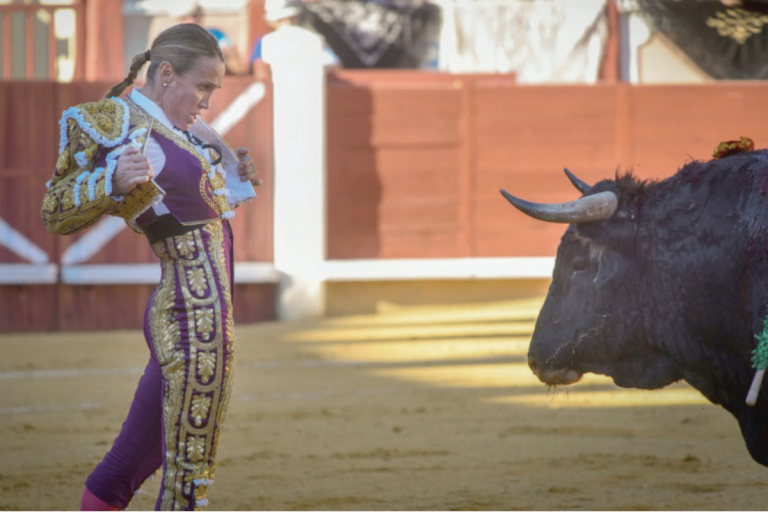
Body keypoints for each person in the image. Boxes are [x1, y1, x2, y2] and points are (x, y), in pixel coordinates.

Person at [41, 23, 260, 511]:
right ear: (166, 73)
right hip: (189, 315)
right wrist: (111, 183)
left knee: (135, 457)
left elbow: (198, 206)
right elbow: (54, 210)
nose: (206, 101)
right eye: (202, 86)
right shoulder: (116, 124)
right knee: (189, 468)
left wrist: (233, 174)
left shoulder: (185, 128)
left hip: (206, 313)